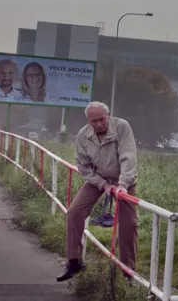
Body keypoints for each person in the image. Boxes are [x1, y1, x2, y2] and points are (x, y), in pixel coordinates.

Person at [57, 101, 139, 282]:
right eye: (93, 121)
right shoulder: (83, 135)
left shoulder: (121, 127)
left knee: (129, 224)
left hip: (123, 180)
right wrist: (103, 184)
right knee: (74, 212)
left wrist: (123, 184)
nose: (98, 124)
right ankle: (74, 261)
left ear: (108, 115)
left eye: (102, 119)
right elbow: (83, 167)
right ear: (88, 121)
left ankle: (128, 270)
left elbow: (128, 156)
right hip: (98, 179)